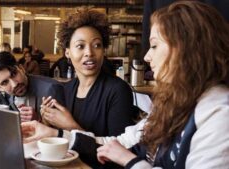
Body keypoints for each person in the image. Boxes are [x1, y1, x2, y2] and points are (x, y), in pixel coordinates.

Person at [21, 1, 229, 168]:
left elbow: (121, 154)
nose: (147, 56)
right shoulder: (171, 104)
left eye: (154, 45)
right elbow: (116, 143)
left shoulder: (219, 114)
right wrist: (53, 133)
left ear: (187, 49)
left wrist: (129, 161)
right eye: (80, 46)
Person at [23, 9, 139, 168]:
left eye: (97, 45)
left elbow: (119, 157)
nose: (89, 53)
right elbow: (60, 142)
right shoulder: (66, 89)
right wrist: (46, 121)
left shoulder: (118, 90)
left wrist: (70, 126)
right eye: (80, 46)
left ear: (103, 51)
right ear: (68, 52)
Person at [0, 51, 65, 122]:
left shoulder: (51, 89)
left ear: (22, 69)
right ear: (0, 88)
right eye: (5, 82)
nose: (14, 84)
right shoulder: (9, 96)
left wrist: (38, 120)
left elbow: (66, 133)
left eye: (14, 74)